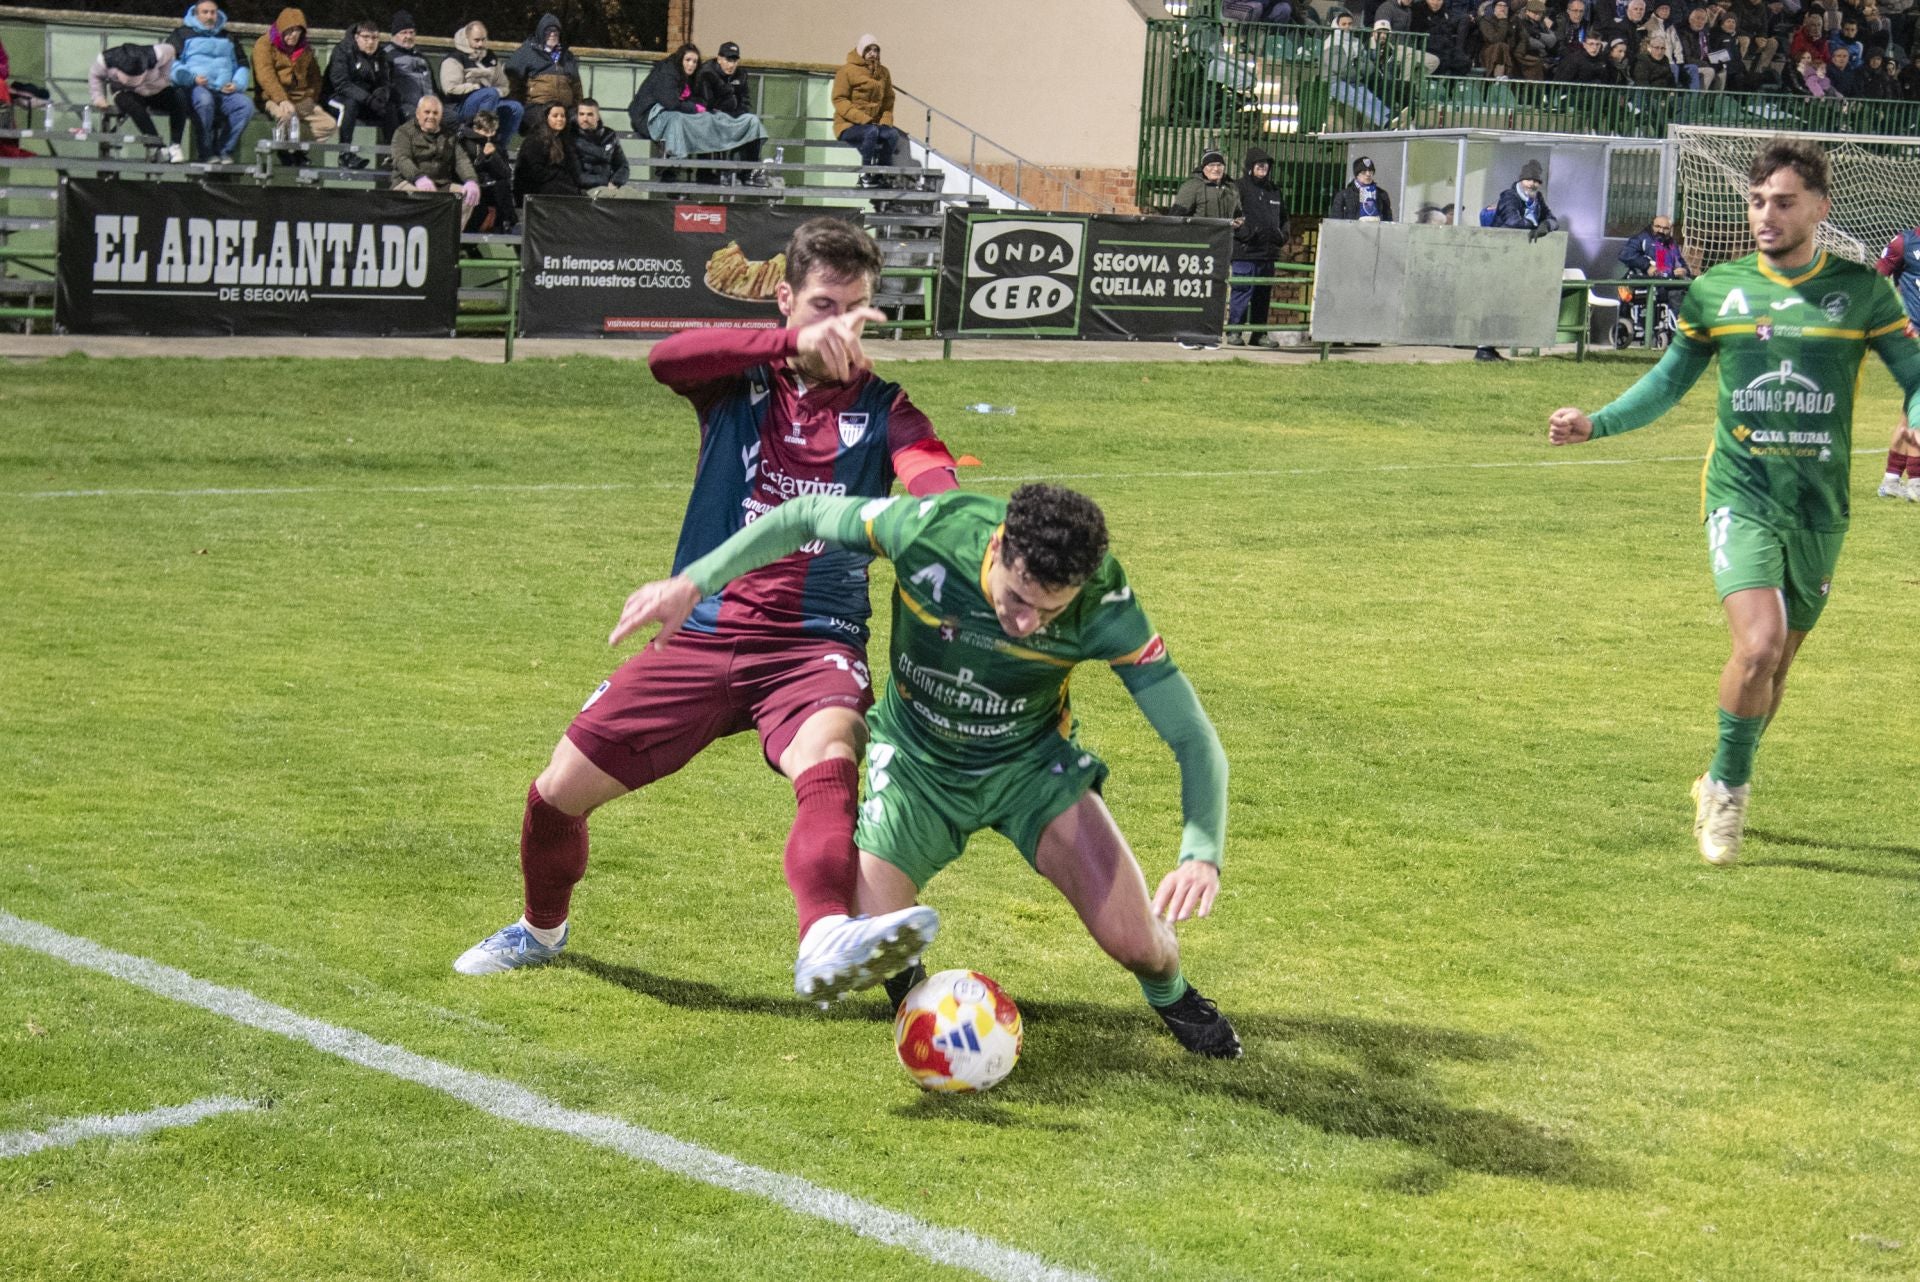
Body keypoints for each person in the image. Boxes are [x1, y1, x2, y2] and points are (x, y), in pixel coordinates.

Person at [454, 217, 962, 1003]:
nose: (840, 328)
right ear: (786, 300)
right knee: (555, 792)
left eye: (855, 310)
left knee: (829, 756)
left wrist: (951, 538)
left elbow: (935, 487)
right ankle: (540, 931)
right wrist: (788, 347)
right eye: (824, 307)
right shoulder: (738, 382)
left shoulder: (888, 409)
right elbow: (666, 358)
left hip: (814, 646)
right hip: (700, 636)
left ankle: (828, 936)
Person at [610, 483, 1241, 1060]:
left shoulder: (1106, 601)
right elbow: (804, 513)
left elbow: (1192, 736)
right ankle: (919, 1001)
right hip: (917, 765)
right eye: (1018, 599)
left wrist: (1201, 853)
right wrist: (695, 582)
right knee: (869, 935)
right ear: (997, 546)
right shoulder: (928, 529)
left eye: (1049, 613)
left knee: (1139, 945)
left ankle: (1176, 998)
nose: (1026, 623)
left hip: (1031, 770)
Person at [1547, 139, 1920, 865]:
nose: (1765, 215)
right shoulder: (1718, 290)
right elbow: (1666, 382)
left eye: (1783, 202)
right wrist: (1597, 423)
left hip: (1819, 508)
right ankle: (1728, 798)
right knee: (1757, 648)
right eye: (1756, 202)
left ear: (1820, 207)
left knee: (1774, 670)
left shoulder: (1862, 293)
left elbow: (1917, 374)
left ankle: (1717, 773)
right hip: (1739, 496)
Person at [632, 44, 768, 184]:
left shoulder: (738, 75)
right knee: (681, 120)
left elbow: (739, 101)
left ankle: (746, 173)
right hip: (647, 116)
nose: (691, 65)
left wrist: (725, 110)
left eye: (695, 61)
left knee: (712, 119)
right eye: (688, 60)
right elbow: (671, 103)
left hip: (679, 113)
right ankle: (671, 167)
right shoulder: (670, 72)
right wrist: (696, 108)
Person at [168, 0, 254, 163]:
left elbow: (242, 63)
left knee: (245, 105)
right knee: (205, 100)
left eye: (213, 12)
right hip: (195, 89)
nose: (209, 16)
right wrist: (192, 78)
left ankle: (224, 150)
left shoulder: (228, 36)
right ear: (196, 14)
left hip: (224, 91)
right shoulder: (181, 34)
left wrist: (237, 84)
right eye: (205, 12)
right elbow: (171, 63)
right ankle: (205, 152)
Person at [249, 7, 333, 164]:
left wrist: (311, 97)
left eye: (298, 30)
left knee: (328, 124)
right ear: (281, 29)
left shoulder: (305, 49)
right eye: (290, 30)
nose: (294, 34)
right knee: (286, 115)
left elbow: (315, 77)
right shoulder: (264, 44)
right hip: (272, 98)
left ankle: (296, 147)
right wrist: (281, 99)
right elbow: (265, 75)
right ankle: (286, 151)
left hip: (300, 98)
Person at [1873, 225, 1920, 500]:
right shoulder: (1905, 242)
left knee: (1910, 412)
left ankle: (1891, 479)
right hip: (1912, 338)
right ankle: (1916, 482)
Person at [89, 41, 190, 163]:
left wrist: (164, 78)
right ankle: (157, 146)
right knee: (132, 105)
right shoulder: (106, 60)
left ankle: (175, 145)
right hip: (125, 91)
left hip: (154, 89)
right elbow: (95, 75)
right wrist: (98, 97)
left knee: (179, 97)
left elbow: (171, 51)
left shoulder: (158, 54)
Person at [1230, 147, 1289, 347]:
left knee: (1262, 296)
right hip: (1245, 251)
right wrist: (1246, 234)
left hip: (1268, 253)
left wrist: (1282, 236)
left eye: (1266, 165)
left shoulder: (1274, 190)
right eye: (1259, 164)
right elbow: (1232, 215)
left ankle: (1259, 334)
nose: (1263, 168)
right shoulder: (1238, 187)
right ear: (1250, 166)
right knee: (1241, 291)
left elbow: (1284, 218)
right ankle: (1234, 331)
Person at [833, 36, 907, 188]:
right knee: (870, 132)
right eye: (868, 50)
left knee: (892, 134)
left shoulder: (883, 72)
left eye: (876, 50)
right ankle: (864, 174)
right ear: (861, 51)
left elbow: (888, 99)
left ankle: (880, 175)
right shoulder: (846, 71)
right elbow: (839, 99)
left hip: (873, 124)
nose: (873, 53)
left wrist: (885, 121)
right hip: (848, 125)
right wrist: (863, 119)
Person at [388, 94, 479, 217]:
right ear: (418, 113)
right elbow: (401, 159)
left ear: (441, 115)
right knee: (423, 198)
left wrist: (471, 180)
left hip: (441, 185)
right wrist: (418, 178)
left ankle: (449, 230)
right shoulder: (403, 132)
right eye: (427, 112)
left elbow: (461, 160)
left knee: (467, 195)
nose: (431, 116)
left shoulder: (449, 135)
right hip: (407, 182)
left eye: (435, 113)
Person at [695, 41, 770, 186]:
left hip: (733, 116)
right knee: (707, 121)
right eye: (728, 60)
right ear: (719, 59)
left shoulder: (741, 75)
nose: (731, 65)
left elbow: (745, 102)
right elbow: (706, 102)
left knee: (752, 121)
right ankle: (705, 173)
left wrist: (736, 115)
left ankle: (748, 172)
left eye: (735, 61)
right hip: (711, 116)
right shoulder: (706, 72)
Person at [325, 20, 393, 168]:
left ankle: (393, 155)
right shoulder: (343, 50)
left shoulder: (380, 55)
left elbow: (385, 82)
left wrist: (381, 94)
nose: (371, 42)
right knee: (349, 104)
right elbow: (341, 84)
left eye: (374, 38)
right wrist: (369, 99)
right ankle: (344, 154)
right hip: (335, 98)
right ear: (357, 37)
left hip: (364, 100)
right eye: (366, 37)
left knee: (389, 108)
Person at [439, 21, 522, 141]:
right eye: (476, 40)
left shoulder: (490, 58)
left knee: (515, 108)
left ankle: (499, 147)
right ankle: (481, 141)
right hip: (459, 106)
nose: (480, 44)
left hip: (491, 101)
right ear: (467, 38)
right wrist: (476, 87)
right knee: (489, 94)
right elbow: (450, 89)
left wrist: (497, 91)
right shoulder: (454, 59)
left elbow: (503, 86)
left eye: (483, 40)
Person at [1618, 212, 1692, 328]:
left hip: (1666, 283)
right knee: (1675, 293)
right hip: (1644, 283)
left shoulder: (1671, 244)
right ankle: (1677, 330)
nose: (1661, 231)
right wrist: (1647, 266)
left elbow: (1680, 262)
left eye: (1665, 228)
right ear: (1652, 225)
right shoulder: (1642, 239)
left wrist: (1684, 270)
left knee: (1687, 290)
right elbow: (1625, 255)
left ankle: (1684, 328)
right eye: (1658, 226)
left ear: (1670, 229)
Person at [505, 13, 583, 119]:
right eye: (548, 30)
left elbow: (577, 88)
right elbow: (512, 84)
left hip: (564, 111)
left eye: (556, 30)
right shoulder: (526, 53)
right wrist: (520, 109)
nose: (552, 34)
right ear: (540, 32)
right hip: (536, 109)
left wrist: (577, 110)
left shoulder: (567, 56)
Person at [457, 107, 515, 234]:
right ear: (475, 128)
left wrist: (492, 156)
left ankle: (507, 223)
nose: (487, 135)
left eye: (491, 131)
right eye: (484, 131)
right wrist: (483, 159)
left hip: (490, 189)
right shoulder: (463, 142)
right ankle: (505, 223)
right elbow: (464, 169)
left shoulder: (496, 146)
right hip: (469, 185)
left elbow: (506, 173)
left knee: (502, 186)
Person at [512, 100, 579, 201]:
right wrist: (559, 174)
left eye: (563, 116)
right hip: (533, 190)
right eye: (555, 116)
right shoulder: (535, 140)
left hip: (554, 185)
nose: (560, 119)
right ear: (546, 118)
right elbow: (535, 172)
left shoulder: (563, 140)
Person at [572, 98, 632, 197]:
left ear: (598, 117)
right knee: (617, 198)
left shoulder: (609, 135)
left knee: (633, 195)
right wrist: (607, 182)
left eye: (590, 114)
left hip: (610, 186)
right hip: (585, 189)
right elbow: (578, 177)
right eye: (581, 114)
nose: (585, 119)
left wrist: (615, 181)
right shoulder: (572, 137)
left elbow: (623, 165)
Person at [383, 11, 434, 121]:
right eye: (404, 33)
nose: (408, 36)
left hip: (430, 106)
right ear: (394, 35)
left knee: (453, 118)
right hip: (405, 107)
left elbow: (434, 87)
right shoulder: (386, 56)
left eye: (411, 32)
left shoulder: (421, 57)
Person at [1169, 148, 1244, 222]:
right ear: (1203, 168)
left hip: (1226, 230)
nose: (1216, 169)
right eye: (1211, 165)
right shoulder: (1191, 187)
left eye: (1219, 165)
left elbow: (1239, 214)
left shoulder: (1231, 187)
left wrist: (1239, 222)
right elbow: (1175, 217)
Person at [1327, 154, 1393, 220]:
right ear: (1357, 175)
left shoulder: (1382, 194)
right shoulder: (1343, 195)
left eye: (1370, 171)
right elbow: (1335, 221)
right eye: (1363, 172)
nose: (1368, 174)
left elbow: (1388, 221)